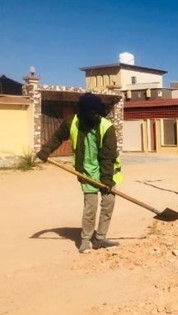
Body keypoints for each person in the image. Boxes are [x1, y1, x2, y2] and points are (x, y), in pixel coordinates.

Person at [36, 93, 123, 253]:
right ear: (83, 112)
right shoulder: (73, 122)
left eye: (98, 113)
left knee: (108, 203)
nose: (96, 116)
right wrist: (46, 150)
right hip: (86, 172)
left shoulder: (106, 127)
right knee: (90, 207)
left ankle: (100, 238)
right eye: (92, 113)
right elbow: (57, 137)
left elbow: (108, 157)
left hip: (108, 171)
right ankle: (85, 240)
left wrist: (106, 180)